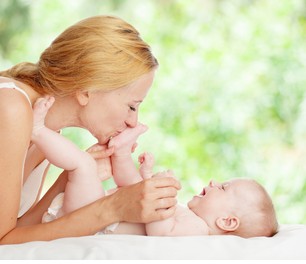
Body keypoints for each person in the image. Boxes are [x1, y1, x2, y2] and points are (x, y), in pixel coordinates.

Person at [0, 15, 180, 244]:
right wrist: (114, 207)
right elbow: (3, 244)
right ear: (87, 90)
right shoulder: (11, 107)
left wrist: (71, 176)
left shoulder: (48, 130)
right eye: (132, 106)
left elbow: (18, 232)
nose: (134, 122)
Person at [34, 97, 278, 238]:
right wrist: (148, 179)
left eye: (224, 188)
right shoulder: (192, 217)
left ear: (227, 222)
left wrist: (165, 199)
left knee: (83, 165)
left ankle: (37, 131)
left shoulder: (198, 231)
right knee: (135, 188)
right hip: (100, 212)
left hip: (86, 220)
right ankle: (120, 153)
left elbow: (160, 233)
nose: (214, 182)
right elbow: (142, 208)